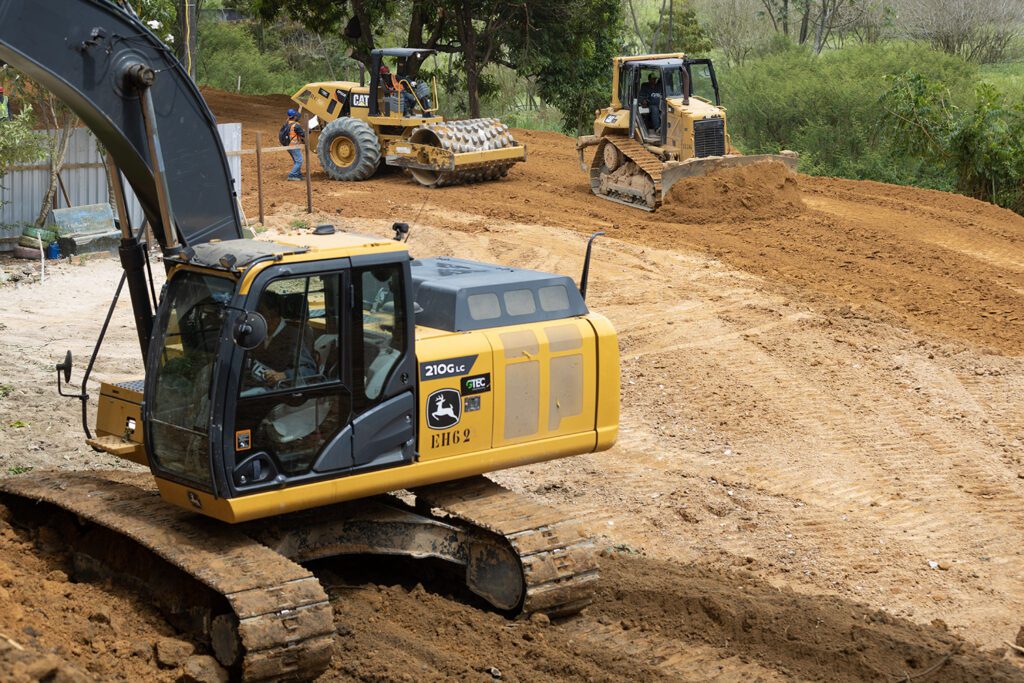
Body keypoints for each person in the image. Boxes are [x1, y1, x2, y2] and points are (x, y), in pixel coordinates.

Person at [246, 291, 318, 390]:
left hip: (276, 393)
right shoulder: (256, 331)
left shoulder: (294, 336)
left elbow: (309, 370)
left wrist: (285, 375)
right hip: (251, 384)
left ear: (274, 311)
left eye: (260, 311)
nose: (256, 315)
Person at [284, 108, 305, 181]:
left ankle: (298, 175)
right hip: (293, 145)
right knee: (299, 161)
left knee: (296, 161)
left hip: (288, 145)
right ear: (294, 116)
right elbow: (304, 135)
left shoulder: (287, 123)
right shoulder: (296, 125)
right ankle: (292, 175)